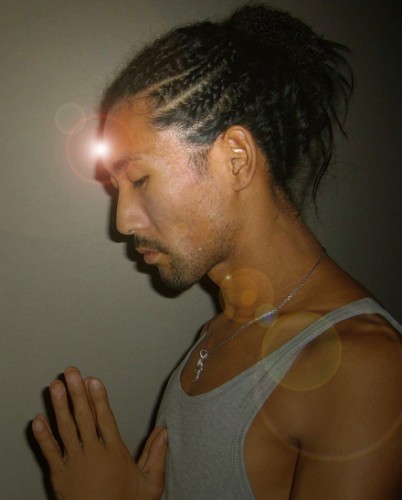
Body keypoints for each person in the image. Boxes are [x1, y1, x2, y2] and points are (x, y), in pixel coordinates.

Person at [32, 4, 402, 499]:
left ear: (236, 158)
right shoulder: (221, 329)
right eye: (117, 188)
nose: (122, 222)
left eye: (139, 179)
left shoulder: (364, 367)